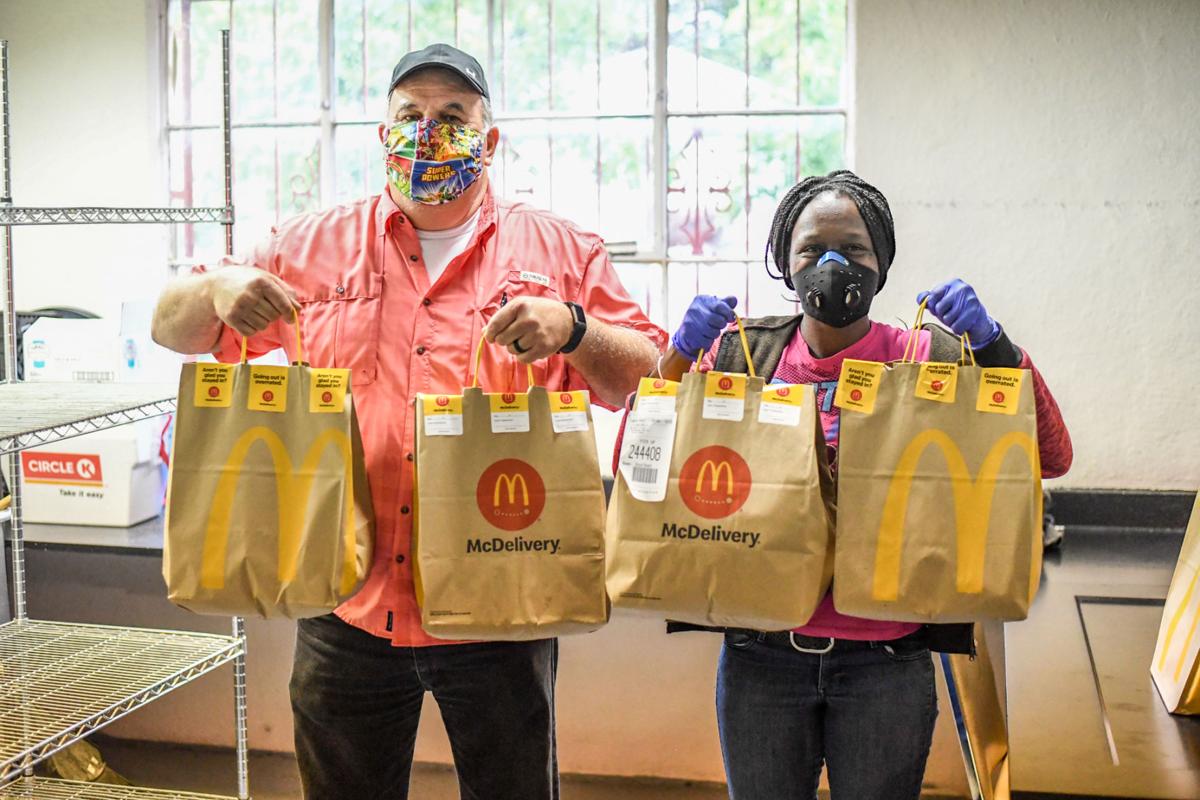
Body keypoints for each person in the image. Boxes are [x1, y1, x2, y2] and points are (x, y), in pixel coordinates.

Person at [152, 43, 665, 800]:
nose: (428, 133)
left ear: (489, 141)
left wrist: (576, 327)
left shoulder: (559, 250)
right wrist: (221, 287)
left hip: (504, 601)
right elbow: (173, 328)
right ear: (383, 132)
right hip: (347, 602)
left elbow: (649, 378)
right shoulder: (307, 248)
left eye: (452, 117)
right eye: (411, 116)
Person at [651, 170, 1072, 799]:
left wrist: (994, 349)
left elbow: (1050, 454)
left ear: (881, 264)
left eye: (853, 250)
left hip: (888, 663)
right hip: (761, 658)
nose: (831, 264)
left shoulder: (925, 359)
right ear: (784, 263)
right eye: (812, 248)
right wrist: (677, 360)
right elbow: (644, 460)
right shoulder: (743, 355)